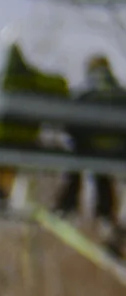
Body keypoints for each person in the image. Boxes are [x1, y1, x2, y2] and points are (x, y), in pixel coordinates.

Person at [0, 41, 70, 213]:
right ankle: (3, 194)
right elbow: (60, 84)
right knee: (7, 158)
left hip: (2, 139)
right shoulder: (33, 78)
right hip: (27, 138)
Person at [52, 54, 126, 250]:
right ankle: (107, 220)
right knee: (101, 165)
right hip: (120, 152)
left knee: (84, 155)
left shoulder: (84, 95)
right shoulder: (121, 93)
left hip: (93, 151)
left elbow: (70, 124)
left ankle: (68, 204)